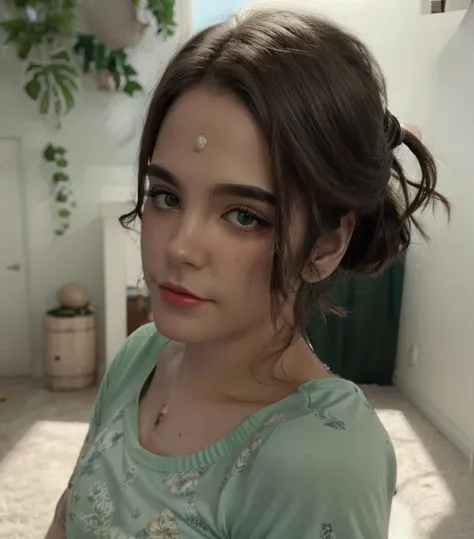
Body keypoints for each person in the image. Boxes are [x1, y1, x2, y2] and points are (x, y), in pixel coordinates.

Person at [45, 7, 449, 539]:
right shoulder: (137, 358)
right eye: (165, 196)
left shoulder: (322, 459)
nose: (181, 246)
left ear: (324, 246)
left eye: (245, 216)